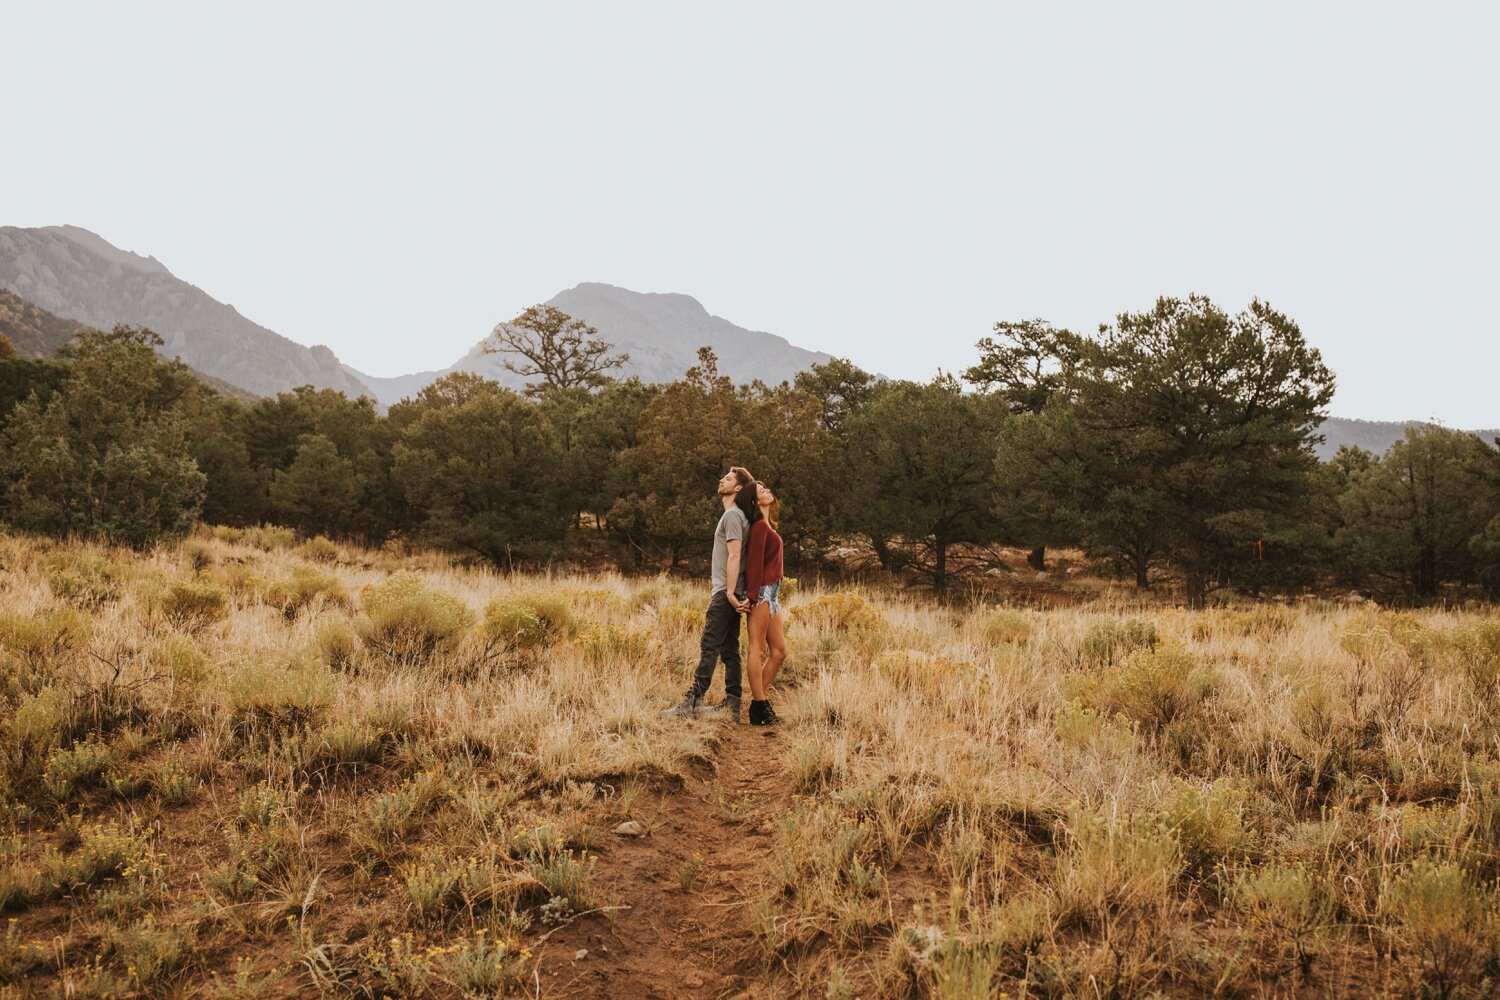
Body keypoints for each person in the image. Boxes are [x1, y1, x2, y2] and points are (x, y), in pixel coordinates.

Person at [664, 467, 755, 720]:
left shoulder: (734, 516)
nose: (721, 480)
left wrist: (728, 593)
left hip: (727, 592)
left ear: (737, 488)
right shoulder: (735, 515)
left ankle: (692, 701)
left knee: (709, 645)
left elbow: (735, 556)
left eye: (727, 479)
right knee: (728, 648)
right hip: (732, 591)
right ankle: (732, 705)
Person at [743, 481, 787, 725]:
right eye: (761, 491)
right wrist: (751, 598)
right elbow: (754, 565)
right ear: (755, 501)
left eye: (767, 488)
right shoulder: (759, 527)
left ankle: (758, 703)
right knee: (757, 649)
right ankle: (761, 705)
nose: (768, 490)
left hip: (773, 594)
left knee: (779, 651)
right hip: (760, 593)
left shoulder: (768, 525)